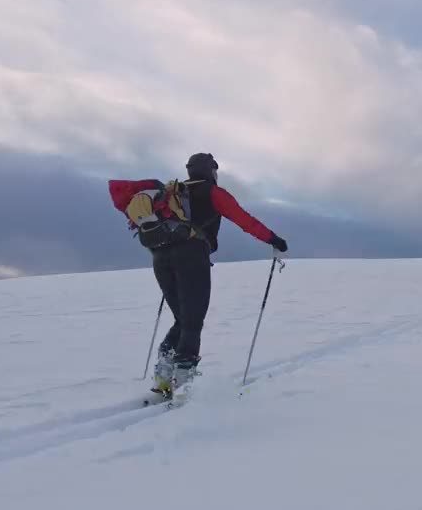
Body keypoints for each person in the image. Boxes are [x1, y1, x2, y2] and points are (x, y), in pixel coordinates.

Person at [108, 152, 288, 395]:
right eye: (214, 169)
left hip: (161, 258)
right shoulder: (212, 192)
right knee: (192, 321)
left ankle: (163, 374)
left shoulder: (172, 195)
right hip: (192, 256)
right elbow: (244, 219)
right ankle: (183, 382)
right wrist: (273, 239)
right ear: (209, 170)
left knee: (182, 320)